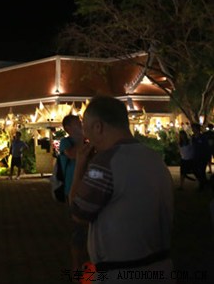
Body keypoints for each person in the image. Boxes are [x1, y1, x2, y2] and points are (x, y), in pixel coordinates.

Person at [70, 96, 173, 283]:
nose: (85, 135)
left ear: (98, 127)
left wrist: (79, 170)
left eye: (85, 127)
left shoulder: (104, 162)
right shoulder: (154, 158)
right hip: (160, 266)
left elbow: (78, 212)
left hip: (120, 271)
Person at [59, 114, 89, 273]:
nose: (81, 125)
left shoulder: (86, 142)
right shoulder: (66, 142)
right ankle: (76, 266)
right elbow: (72, 154)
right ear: (68, 128)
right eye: (77, 123)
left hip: (87, 188)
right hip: (72, 190)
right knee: (78, 228)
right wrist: (83, 139)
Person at [191, 123, 211, 191]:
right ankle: (205, 182)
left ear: (197, 129)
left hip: (203, 157)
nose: (193, 129)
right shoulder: (193, 137)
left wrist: (208, 157)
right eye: (192, 128)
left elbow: (207, 148)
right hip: (195, 157)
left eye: (194, 128)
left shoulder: (203, 137)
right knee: (195, 170)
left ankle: (202, 186)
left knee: (202, 171)